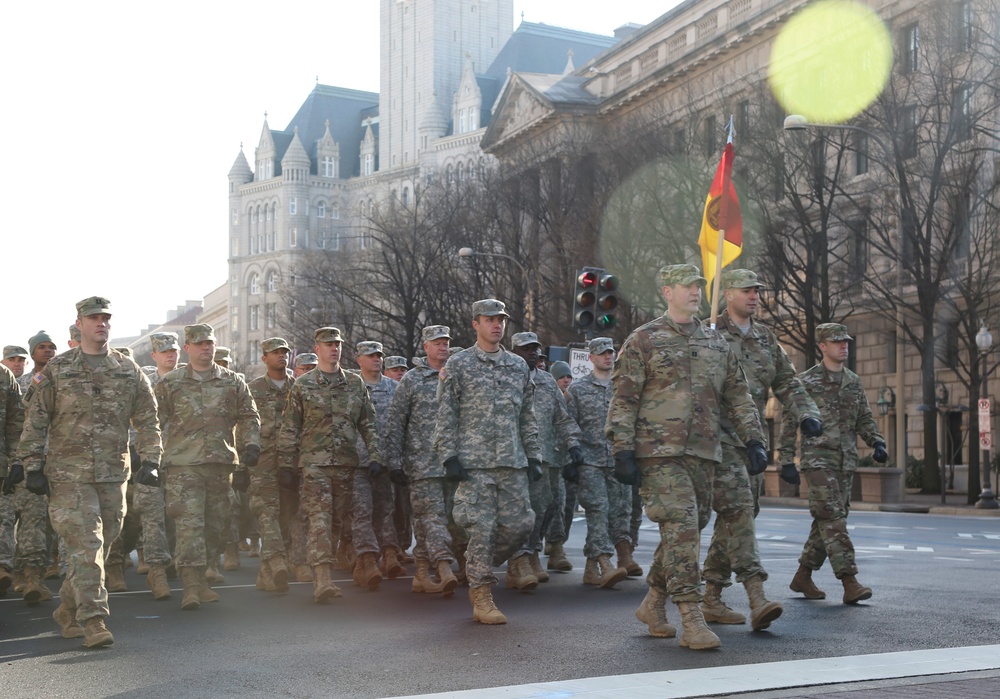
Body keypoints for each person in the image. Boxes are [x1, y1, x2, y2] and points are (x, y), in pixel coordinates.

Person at [607, 264, 766, 650]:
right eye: (687, 286)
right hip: (658, 453)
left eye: (699, 286)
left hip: (704, 453)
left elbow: (738, 396)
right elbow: (624, 397)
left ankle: (653, 604)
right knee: (681, 525)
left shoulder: (715, 344)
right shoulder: (644, 339)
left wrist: (753, 440)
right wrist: (621, 448)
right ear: (667, 291)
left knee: (687, 530)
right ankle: (691, 618)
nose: (696, 292)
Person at [16, 296, 161, 647]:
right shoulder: (58, 369)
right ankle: (94, 619)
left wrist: (152, 459)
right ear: (79, 324)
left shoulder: (128, 369)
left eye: (106, 318)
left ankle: (67, 608)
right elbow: (35, 421)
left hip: (114, 473)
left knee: (103, 542)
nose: (101, 323)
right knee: (86, 545)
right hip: (69, 475)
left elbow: (147, 419)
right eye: (93, 318)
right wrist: (31, 466)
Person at [700, 269, 822, 630]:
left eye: (757, 291)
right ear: (728, 295)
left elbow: (788, 383)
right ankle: (756, 595)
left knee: (741, 515)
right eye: (746, 291)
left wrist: (807, 414)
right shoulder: (709, 335)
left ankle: (710, 595)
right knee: (738, 510)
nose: (754, 296)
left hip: (750, 443)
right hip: (715, 440)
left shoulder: (767, 339)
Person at [433, 299, 541, 625]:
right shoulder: (459, 364)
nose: (497, 325)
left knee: (522, 525)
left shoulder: (518, 366)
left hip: (511, 460)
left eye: (501, 320)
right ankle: (481, 596)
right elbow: (446, 413)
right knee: (482, 529)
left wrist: (534, 455)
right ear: (475, 324)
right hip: (474, 464)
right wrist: (448, 456)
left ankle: (475, 565)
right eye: (489, 319)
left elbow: (528, 416)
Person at [154, 323, 260, 611]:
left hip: (220, 464)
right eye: (199, 343)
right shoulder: (170, 383)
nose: (205, 348)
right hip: (183, 465)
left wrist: (250, 444)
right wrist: (150, 457)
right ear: (187, 348)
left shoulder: (233, 381)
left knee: (217, 525)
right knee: (190, 525)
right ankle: (190, 585)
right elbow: (152, 422)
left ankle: (203, 577)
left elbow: (249, 415)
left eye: (209, 343)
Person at [778, 322, 886, 605]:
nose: (844, 346)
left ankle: (803, 575)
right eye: (837, 342)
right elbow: (790, 422)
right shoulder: (806, 381)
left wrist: (876, 442)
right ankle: (849, 581)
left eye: (846, 341)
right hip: (817, 461)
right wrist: (786, 459)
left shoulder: (853, 380)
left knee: (827, 520)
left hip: (845, 462)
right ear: (823, 346)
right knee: (834, 519)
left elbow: (863, 416)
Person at [277, 327, 381, 603]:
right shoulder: (304, 384)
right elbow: (290, 427)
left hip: (345, 464)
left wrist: (376, 457)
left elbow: (368, 424)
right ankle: (322, 578)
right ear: (317, 348)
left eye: (337, 344)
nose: (333, 348)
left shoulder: (355, 383)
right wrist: (287, 466)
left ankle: (326, 574)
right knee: (319, 519)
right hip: (314, 465)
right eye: (328, 344)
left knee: (336, 521)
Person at [385, 325, 460, 596]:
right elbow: (396, 421)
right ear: (425, 347)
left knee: (443, 520)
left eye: (445, 342)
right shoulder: (412, 380)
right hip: (421, 463)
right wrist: (394, 461)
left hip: (453, 462)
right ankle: (443, 567)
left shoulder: (455, 374)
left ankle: (420, 574)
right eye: (437, 343)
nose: (442, 347)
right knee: (432, 518)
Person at [509, 332, 583, 586]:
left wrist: (573, 444)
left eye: (535, 349)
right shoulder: (507, 378)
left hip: (547, 457)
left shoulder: (547, 382)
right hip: (516, 457)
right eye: (526, 349)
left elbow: (561, 417)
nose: (532, 353)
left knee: (545, 508)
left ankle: (532, 553)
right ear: (514, 352)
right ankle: (518, 560)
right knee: (520, 512)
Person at [565, 337, 632, 588]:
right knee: (598, 509)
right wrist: (571, 455)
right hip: (589, 461)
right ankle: (604, 561)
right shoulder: (578, 389)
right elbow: (569, 423)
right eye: (602, 353)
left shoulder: (622, 387)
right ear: (591, 358)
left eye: (610, 352)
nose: (608, 357)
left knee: (617, 513)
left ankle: (591, 569)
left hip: (617, 460)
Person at [132, 332, 181, 601]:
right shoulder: (143, 383)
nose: (170, 355)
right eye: (164, 352)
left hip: (180, 460)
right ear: (154, 356)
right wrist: (135, 453)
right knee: (152, 518)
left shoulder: (187, 381)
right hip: (149, 460)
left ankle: (174, 560)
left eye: (174, 351)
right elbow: (133, 419)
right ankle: (157, 571)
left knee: (177, 515)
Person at [352, 340, 403, 587]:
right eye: (371, 355)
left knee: (387, 510)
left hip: (385, 461)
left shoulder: (394, 388)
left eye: (379, 355)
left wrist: (397, 461)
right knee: (362, 511)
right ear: (359, 359)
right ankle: (368, 559)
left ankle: (390, 553)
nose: (376, 359)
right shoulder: (351, 387)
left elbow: (400, 426)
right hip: (358, 462)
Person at [246, 337, 295, 593]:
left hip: (292, 463)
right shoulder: (252, 389)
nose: (281, 356)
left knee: (287, 515)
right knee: (267, 512)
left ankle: (266, 574)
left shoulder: (299, 388)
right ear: (264, 358)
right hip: (262, 461)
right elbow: (244, 425)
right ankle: (277, 561)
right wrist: (242, 464)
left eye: (285, 352)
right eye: (275, 353)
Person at [0, 363, 24, 597]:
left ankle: (2, 567)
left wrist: (17, 460)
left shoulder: (3, 375)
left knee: (3, 520)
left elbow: (16, 422)